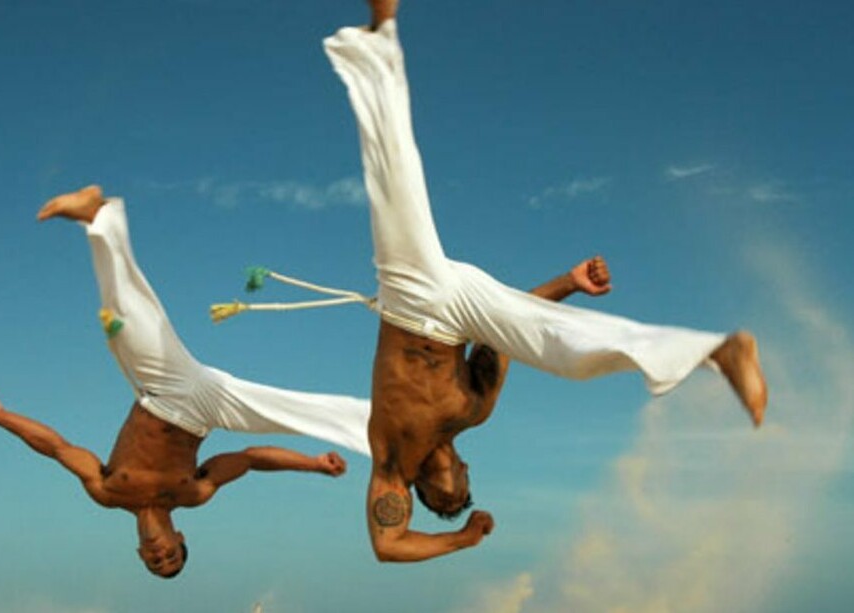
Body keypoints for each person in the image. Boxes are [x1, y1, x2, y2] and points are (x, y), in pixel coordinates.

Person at [323, 0, 768, 562]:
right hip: (464, 306)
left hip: (411, 303)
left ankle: (381, 37)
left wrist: (458, 538)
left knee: (394, 180)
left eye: (449, 495)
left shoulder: (393, 459)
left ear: (422, 495)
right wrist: (570, 283)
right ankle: (718, 350)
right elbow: (520, 328)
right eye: (463, 483)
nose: (457, 477)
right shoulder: (474, 408)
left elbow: (388, 545)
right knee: (567, 355)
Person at [0, 185, 370, 578]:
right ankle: (387, 433)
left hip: (164, 391)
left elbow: (57, 448)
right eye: (171, 554)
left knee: (128, 318)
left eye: (155, 562)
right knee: (294, 414)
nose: (160, 553)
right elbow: (249, 459)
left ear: (141, 554)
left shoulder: (108, 493)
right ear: (179, 538)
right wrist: (313, 464)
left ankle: (96, 216)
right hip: (207, 409)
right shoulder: (192, 494)